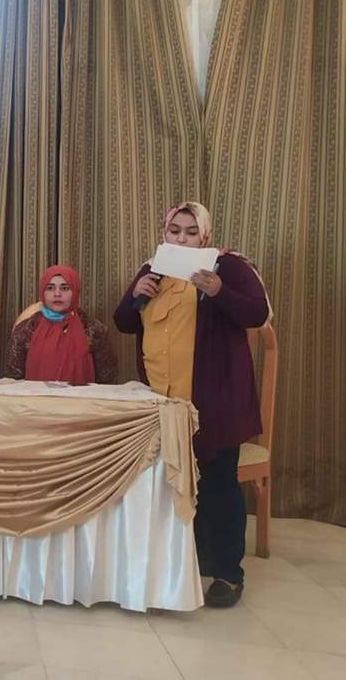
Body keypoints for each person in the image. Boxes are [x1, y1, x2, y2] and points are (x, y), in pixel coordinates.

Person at [113, 201, 269, 609]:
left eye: (190, 232)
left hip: (214, 401)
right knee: (170, 483)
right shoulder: (154, 268)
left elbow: (257, 312)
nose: (181, 239)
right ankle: (187, 561)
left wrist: (218, 291)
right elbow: (124, 323)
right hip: (163, 403)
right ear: (164, 233)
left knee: (217, 483)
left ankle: (227, 573)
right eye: (174, 231)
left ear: (205, 235)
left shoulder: (227, 266)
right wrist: (135, 296)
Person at [4, 264, 117, 384]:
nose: (57, 294)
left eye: (65, 288)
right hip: (35, 395)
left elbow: (107, 380)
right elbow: (13, 380)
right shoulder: (25, 329)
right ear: (42, 292)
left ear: (75, 292)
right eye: (50, 288)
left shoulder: (94, 330)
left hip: (81, 396)